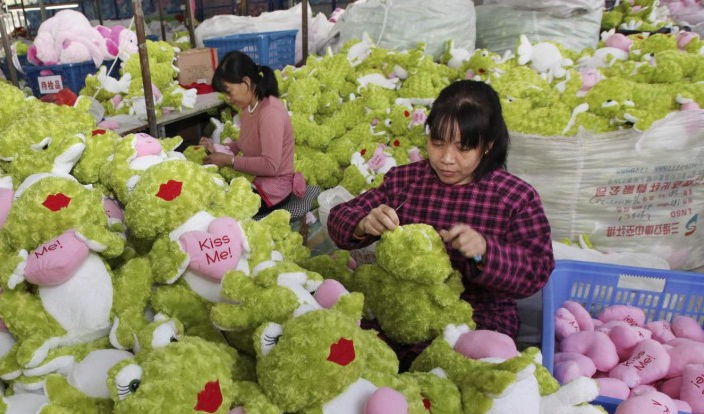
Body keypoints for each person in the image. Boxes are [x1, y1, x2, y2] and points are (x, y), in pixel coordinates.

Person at [327, 79, 554, 344]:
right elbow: (338, 218)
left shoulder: (515, 198)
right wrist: (363, 223)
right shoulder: (405, 181)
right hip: (402, 311)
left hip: (478, 320)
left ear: (488, 145)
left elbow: (536, 270)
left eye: (463, 148)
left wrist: (486, 252)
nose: (446, 158)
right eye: (437, 142)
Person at [201, 50, 304, 216]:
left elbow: (270, 166)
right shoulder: (249, 107)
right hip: (257, 181)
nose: (227, 98)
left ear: (246, 82)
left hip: (273, 192)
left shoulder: (270, 112)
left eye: (228, 91)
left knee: (216, 208)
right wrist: (216, 148)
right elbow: (244, 143)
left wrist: (229, 160)